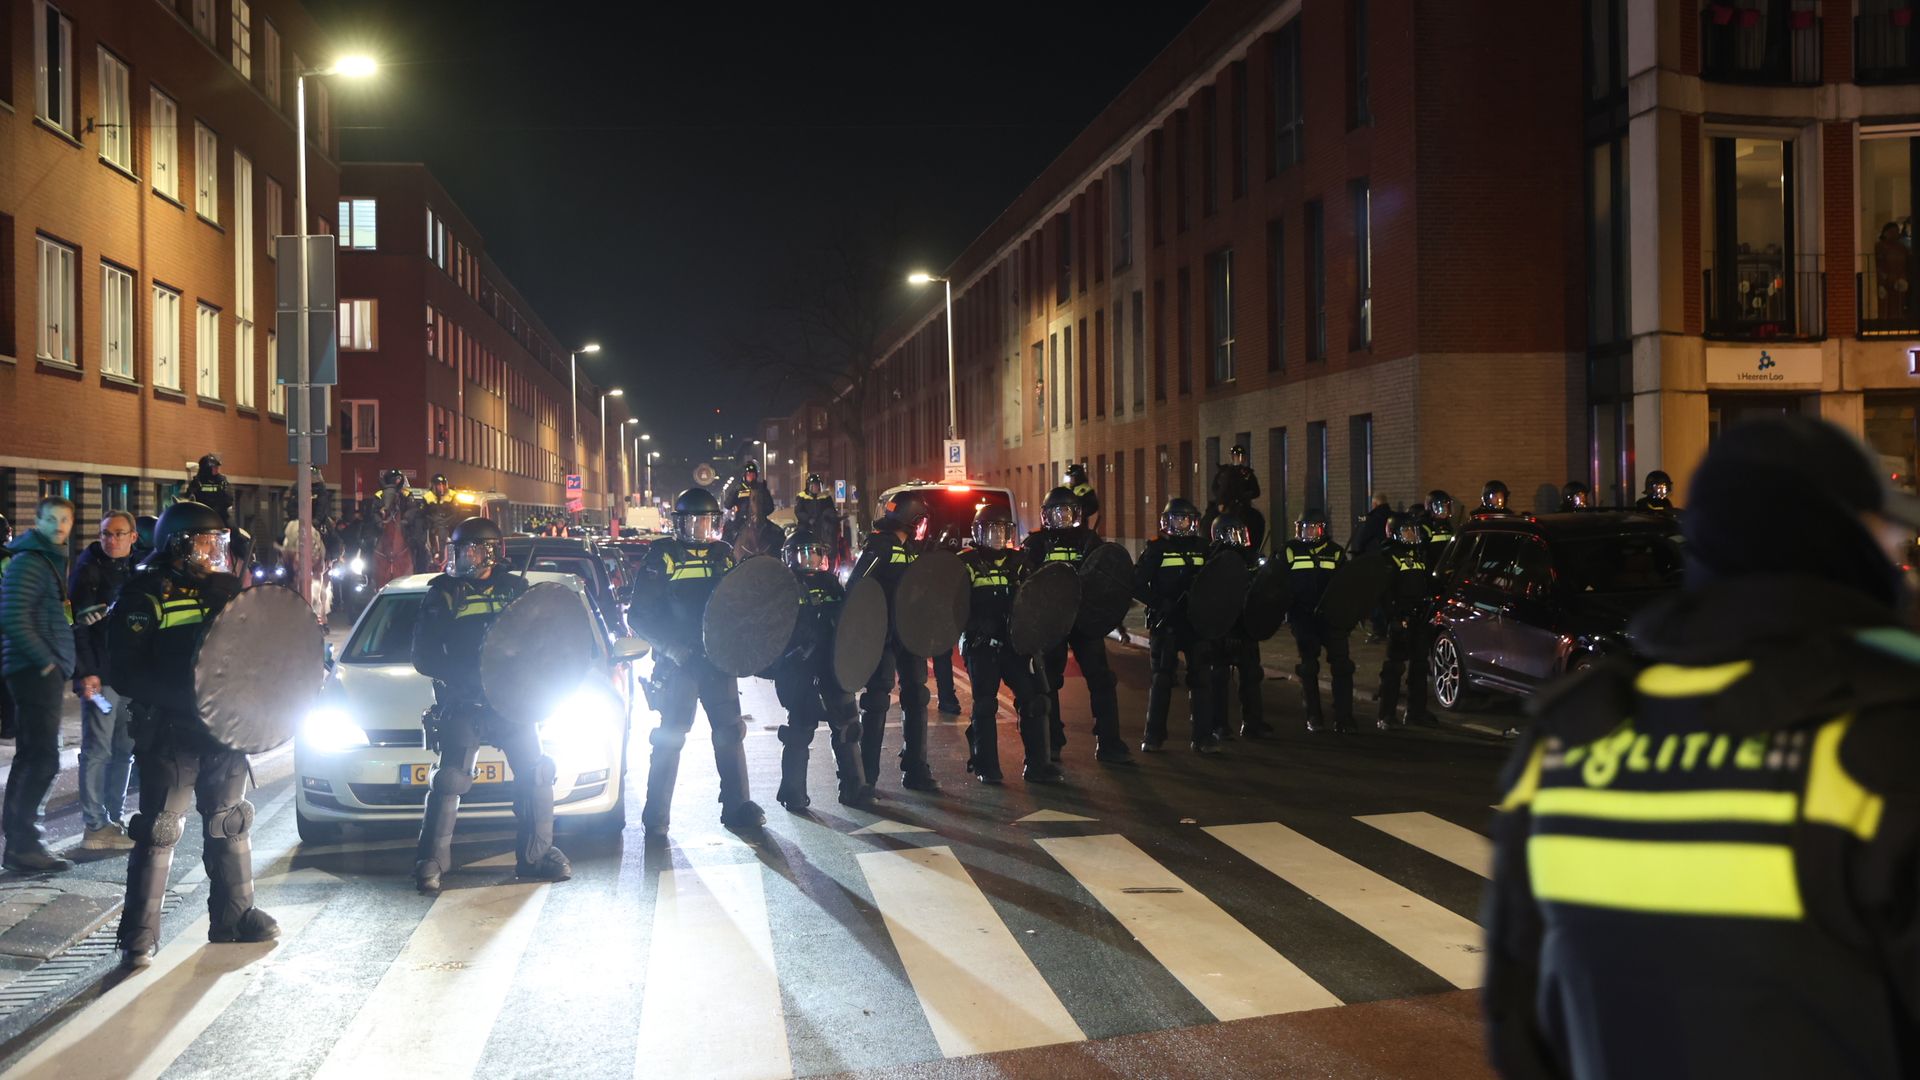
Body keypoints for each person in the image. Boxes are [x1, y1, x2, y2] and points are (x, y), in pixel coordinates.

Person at [1483, 414, 1920, 1080]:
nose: (1900, 558)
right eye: (1888, 536)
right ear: (1843, 543)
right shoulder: (1882, 741)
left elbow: (1520, 1026)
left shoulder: (1564, 745)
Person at [107, 502, 278, 968]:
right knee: (161, 830)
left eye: (217, 543)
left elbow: (249, 646)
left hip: (223, 730)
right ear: (178, 546)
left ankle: (234, 919)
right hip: (170, 731)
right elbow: (123, 671)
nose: (212, 552)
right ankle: (138, 937)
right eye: (205, 543)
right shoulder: (145, 595)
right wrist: (187, 697)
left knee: (230, 820)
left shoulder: (224, 590)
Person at [408, 516, 570, 894]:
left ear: (491, 553)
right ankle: (430, 861)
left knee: (537, 772)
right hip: (465, 702)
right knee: (451, 779)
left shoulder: (516, 589)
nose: (464, 557)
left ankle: (536, 855)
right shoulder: (443, 593)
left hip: (512, 701)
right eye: (459, 549)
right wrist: (465, 677)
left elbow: (537, 642)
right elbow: (424, 655)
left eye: (472, 549)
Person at [632, 489, 763, 841]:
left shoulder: (722, 555)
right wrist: (672, 649)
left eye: (706, 522)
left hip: (717, 661)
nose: (699, 529)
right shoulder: (663, 556)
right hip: (679, 664)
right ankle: (656, 816)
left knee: (730, 731)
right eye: (692, 522)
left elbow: (736, 604)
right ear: (678, 523)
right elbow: (639, 616)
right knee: (670, 737)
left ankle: (737, 807)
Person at [1024, 487, 1132, 765]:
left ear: (1077, 514)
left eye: (1067, 512)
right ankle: (1052, 742)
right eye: (1056, 513)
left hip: (1084, 620)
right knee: (1048, 682)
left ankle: (1109, 743)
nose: (1061, 518)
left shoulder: (1089, 541)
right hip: (1052, 622)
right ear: (1046, 515)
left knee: (1101, 679)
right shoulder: (1036, 544)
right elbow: (1025, 585)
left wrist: (1114, 620)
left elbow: (1105, 581)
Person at [0, 498, 78, 872]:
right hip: (32, 671)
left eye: (64, 519)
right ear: (37, 522)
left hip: (36, 669)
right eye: (51, 519)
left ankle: (22, 844)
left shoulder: (45, 559)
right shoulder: (30, 560)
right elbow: (12, 616)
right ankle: (23, 843)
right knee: (42, 758)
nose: (58, 526)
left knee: (33, 756)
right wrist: (46, 661)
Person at [957, 503, 1059, 784]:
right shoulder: (966, 564)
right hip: (982, 646)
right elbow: (954, 607)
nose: (997, 537)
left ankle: (1038, 765)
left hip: (1014, 645)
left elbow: (1035, 602)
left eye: (1002, 530)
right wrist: (977, 624)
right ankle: (986, 766)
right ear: (978, 533)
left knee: (1034, 700)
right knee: (985, 705)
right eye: (991, 531)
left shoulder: (1020, 562)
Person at [770, 529, 869, 811]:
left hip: (832, 665)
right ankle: (793, 793)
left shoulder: (831, 584)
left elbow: (849, 619)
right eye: (803, 554)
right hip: (800, 668)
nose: (810, 560)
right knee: (800, 729)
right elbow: (774, 628)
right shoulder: (785, 587)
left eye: (814, 553)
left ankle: (854, 787)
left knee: (848, 726)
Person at [850, 490, 939, 793]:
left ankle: (916, 768)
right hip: (884, 635)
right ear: (911, 518)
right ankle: (867, 775)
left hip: (909, 634)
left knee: (917, 696)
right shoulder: (879, 548)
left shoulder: (913, 549)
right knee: (877, 698)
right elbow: (858, 589)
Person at [71, 511, 139, 850]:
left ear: (133, 537)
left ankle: (115, 817)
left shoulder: (139, 569)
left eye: (117, 534)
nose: (110, 540)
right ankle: (95, 825)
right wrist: (87, 673)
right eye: (105, 534)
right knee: (97, 750)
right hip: (101, 680)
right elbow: (80, 630)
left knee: (124, 750)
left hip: (129, 679)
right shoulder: (87, 572)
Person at [1134, 498, 1216, 753]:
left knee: (1201, 678)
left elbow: (1218, 582)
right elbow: (1136, 582)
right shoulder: (1157, 549)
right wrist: (1158, 602)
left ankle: (1203, 737)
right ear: (1166, 522)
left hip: (1196, 624)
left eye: (1185, 519)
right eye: (1176, 519)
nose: (1180, 524)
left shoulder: (1205, 548)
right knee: (1161, 679)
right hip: (1166, 624)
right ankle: (1153, 736)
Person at [1283, 509, 1353, 733]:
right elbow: (1277, 583)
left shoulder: (1334, 552)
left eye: (1313, 527)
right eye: (1304, 527)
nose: (1308, 532)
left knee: (1342, 666)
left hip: (1331, 617)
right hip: (1303, 617)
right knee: (1308, 666)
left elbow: (1348, 585)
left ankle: (1344, 718)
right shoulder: (1290, 551)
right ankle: (1313, 715)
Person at [1206, 513, 1270, 742]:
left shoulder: (1251, 559)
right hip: (1222, 630)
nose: (1239, 538)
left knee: (1252, 675)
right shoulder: (1212, 560)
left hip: (1246, 627)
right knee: (1219, 677)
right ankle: (1219, 725)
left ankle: (1253, 722)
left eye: (1241, 533)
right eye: (1234, 533)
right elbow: (1213, 600)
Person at [1374, 515, 1436, 730]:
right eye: (1407, 531)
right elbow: (1384, 592)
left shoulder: (1417, 555)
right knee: (1394, 668)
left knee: (1420, 666)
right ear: (1395, 532)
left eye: (1413, 531)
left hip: (1419, 617)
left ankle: (1416, 712)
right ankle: (1386, 715)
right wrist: (1392, 618)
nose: (1412, 535)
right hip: (1400, 619)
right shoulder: (1388, 556)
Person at [929, 525, 966, 716]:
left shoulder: (932, 556)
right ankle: (947, 698)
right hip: (939, 617)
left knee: (939, 659)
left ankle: (947, 698)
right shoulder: (957, 559)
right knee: (941, 659)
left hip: (938, 617)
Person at [1207, 444, 1266, 552]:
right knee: (1209, 518)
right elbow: (1215, 487)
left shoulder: (1247, 473)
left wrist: (1245, 495)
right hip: (1224, 504)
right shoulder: (1224, 471)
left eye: (1240, 456)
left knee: (1256, 520)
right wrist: (1221, 499)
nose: (1238, 459)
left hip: (1241, 504)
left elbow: (1256, 491)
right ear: (1232, 457)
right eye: (1236, 456)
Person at [721, 460, 775, 543]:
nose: (751, 476)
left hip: (760, 521)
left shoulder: (761, 488)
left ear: (756, 475)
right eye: (749, 474)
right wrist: (734, 493)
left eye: (753, 474)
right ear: (745, 475)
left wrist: (760, 514)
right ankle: (728, 554)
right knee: (727, 534)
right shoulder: (738, 488)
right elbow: (727, 505)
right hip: (741, 521)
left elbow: (770, 507)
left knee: (776, 533)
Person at [183, 454, 233, 526]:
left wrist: (218, 508)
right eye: (214, 467)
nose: (217, 469)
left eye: (217, 467)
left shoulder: (221, 480)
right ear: (206, 469)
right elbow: (188, 498)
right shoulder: (197, 481)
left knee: (234, 531)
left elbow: (229, 498)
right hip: (201, 516)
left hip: (220, 515)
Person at [1875, 220, 1911, 320]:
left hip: (1899, 281)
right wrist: (1882, 281)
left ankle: (1897, 323)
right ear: (1885, 233)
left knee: (1898, 305)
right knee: (1884, 306)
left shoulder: (1902, 248)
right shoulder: (1879, 247)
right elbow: (1878, 266)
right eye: (1892, 232)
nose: (1895, 234)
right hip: (1885, 281)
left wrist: (1903, 278)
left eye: (1896, 231)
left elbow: (1906, 265)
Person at [793, 473, 839, 549]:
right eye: (814, 485)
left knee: (832, 534)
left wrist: (829, 517)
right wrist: (808, 519)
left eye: (817, 485)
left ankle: (831, 553)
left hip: (821, 524)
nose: (816, 487)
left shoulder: (825, 497)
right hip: (807, 525)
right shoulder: (802, 497)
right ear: (809, 486)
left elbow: (831, 510)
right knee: (800, 535)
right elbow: (798, 511)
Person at [1418, 490, 1458, 564]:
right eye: (1442, 507)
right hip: (1431, 568)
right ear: (1431, 507)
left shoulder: (1448, 525)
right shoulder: (1425, 526)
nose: (1445, 510)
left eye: (1447, 507)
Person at [1065, 462, 1102, 536]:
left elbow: (1093, 506)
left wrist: (1080, 514)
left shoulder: (1087, 490)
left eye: (1072, 477)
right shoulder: (1066, 488)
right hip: (1064, 521)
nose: (1070, 480)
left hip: (1079, 523)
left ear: (1077, 477)